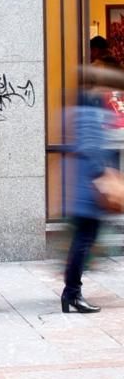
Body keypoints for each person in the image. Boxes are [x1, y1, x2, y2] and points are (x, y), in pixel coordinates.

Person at [61, 81, 114, 314]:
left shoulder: (75, 116)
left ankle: (71, 293)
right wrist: (104, 176)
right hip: (90, 191)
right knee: (83, 243)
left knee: (82, 242)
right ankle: (72, 294)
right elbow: (93, 151)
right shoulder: (91, 117)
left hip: (82, 190)